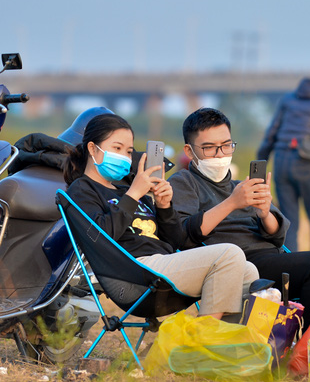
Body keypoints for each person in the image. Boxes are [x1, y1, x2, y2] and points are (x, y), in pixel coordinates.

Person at [168, 107, 310, 329]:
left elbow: (278, 235)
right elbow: (184, 235)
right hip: (238, 264)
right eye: (209, 148)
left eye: (226, 145)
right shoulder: (183, 182)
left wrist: (264, 212)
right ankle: (306, 350)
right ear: (189, 150)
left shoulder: (239, 186)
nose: (220, 154)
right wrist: (232, 203)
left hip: (272, 256)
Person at [63, 113, 260, 320]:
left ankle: (227, 344)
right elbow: (100, 237)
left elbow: (176, 242)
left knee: (248, 271)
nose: (125, 157)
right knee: (230, 254)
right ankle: (200, 342)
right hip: (134, 273)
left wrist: (164, 207)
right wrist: (134, 194)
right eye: (117, 148)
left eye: (129, 151)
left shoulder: (127, 189)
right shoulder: (82, 190)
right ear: (93, 148)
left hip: (163, 267)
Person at [256, 71, 310, 252]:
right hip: (307, 163)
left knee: (288, 220)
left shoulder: (289, 98)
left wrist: (258, 167)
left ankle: (290, 269)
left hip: (281, 161)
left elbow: (271, 134)